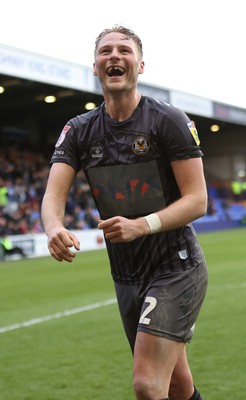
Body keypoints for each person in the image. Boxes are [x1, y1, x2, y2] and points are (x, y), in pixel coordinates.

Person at [41, 25, 208, 400]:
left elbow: (198, 200)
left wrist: (141, 225)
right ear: (95, 67)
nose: (114, 56)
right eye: (106, 51)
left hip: (176, 267)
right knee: (178, 385)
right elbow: (54, 192)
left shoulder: (167, 120)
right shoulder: (79, 131)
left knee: (147, 384)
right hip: (126, 273)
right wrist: (53, 227)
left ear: (140, 65)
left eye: (124, 50)